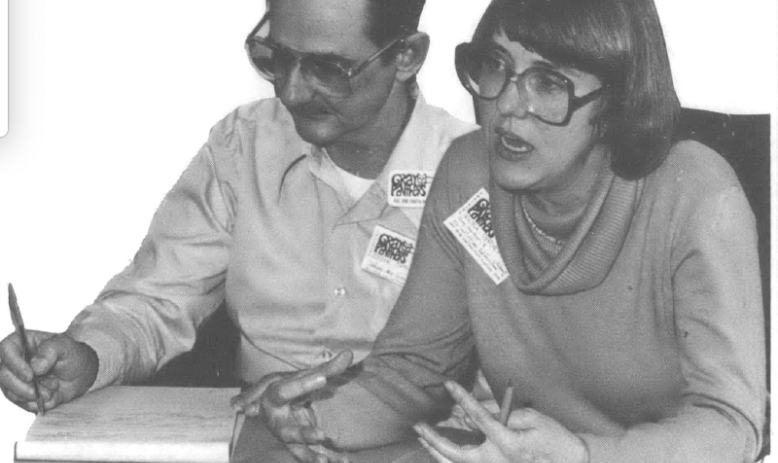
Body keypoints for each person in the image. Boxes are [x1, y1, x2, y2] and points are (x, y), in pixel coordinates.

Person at [236, 0, 768, 461]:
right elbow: (413, 374)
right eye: (494, 67)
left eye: (548, 83)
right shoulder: (468, 175)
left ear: (617, 101)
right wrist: (314, 417)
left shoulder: (697, 194)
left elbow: (733, 424)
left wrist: (584, 457)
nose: (507, 106)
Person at [0, 0, 474, 452]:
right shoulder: (244, 146)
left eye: (329, 70)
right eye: (278, 58)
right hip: (256, 434)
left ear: (407, 55)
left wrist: (346, 405)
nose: (290, 90)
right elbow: (158, 298)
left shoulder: (476, 173)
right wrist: (90, 355)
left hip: (417, 441)